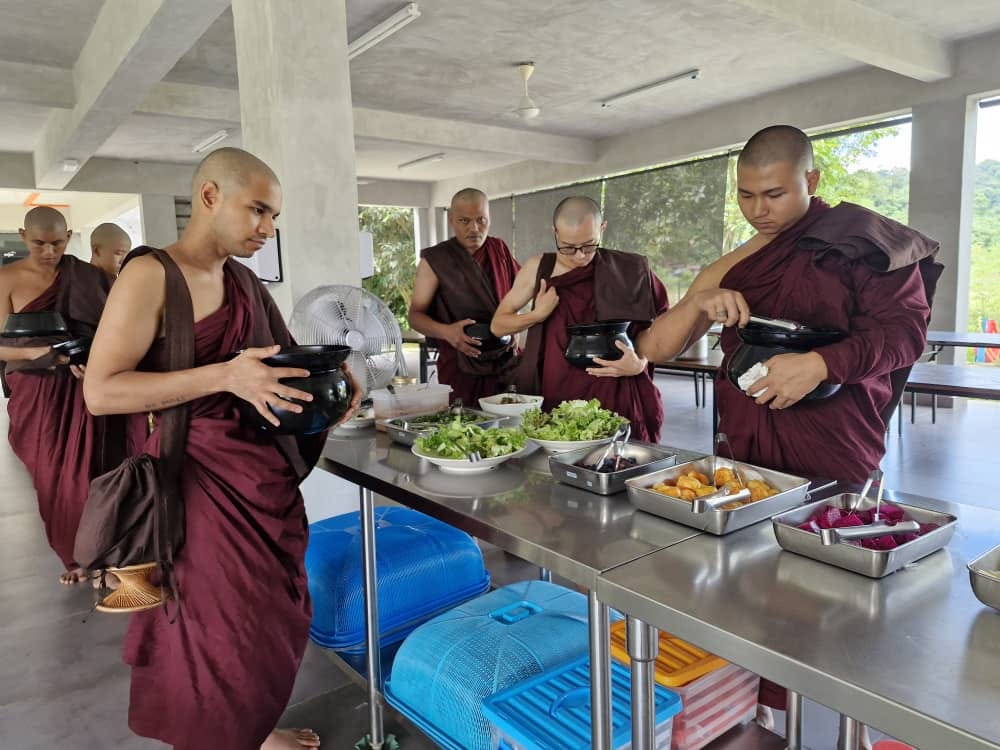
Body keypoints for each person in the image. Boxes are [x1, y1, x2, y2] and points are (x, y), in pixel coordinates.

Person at [638, 124, 942, 745]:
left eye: (773, 195)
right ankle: (755, 698)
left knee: (826, 587)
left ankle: (840, 714)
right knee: (747, 582)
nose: (758, 211)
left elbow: (906, 335)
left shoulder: (864, 244)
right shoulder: (741, 260)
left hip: (830, 441)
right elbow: (653, 345)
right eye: (746, 196)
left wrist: (822, 364)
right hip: (746, 447)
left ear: (812, 180)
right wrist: (704, 302)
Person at [84, 147, 360, 750]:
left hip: (261, 484)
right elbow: (101, 392)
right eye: (258, 210)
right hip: (195, 487)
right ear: (210, 196)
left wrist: (336, 386)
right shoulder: (150, 274)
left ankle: (252, 732)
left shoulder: (242, 281)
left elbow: (283, 364)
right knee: (219, 633)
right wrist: (224, 376)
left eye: (274, 216)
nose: (268, 229)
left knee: (268, 625)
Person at [0, 206, 124, 585]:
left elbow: (114, 331)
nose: (49, 251)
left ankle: (105, 555)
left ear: (69, 238)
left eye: (57, 243)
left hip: (83, 384)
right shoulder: (6, 279)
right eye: (39, 243)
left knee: (95, 469)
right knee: (53, 476)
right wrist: (35, 355)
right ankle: (77, 558)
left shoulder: (85, 277)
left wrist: (88, 356)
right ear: (23, 236)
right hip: (36, 391)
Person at [491, 196, 669, 442]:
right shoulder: (539, 268)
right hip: (558, 388)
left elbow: (662, 328)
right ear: (554, 232)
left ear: (602, 229)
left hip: (616, 384)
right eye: (568, 247)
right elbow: (498, 324)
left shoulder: (628, 269)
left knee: (619, 460)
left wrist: (640, 362)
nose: (579, 256)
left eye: (589, 245)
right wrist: (536, 315)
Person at [408, 188, 520, 405]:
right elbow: (415, 316)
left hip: (507, 359)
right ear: (451, 220)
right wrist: (447, 332)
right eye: (464, 221)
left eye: (481, 220)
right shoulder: (436, 260)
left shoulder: (499, 249)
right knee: (467, 428)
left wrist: (516, 325)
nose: (474, 228)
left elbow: (520, 294)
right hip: (461, 363)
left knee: (512, 423)